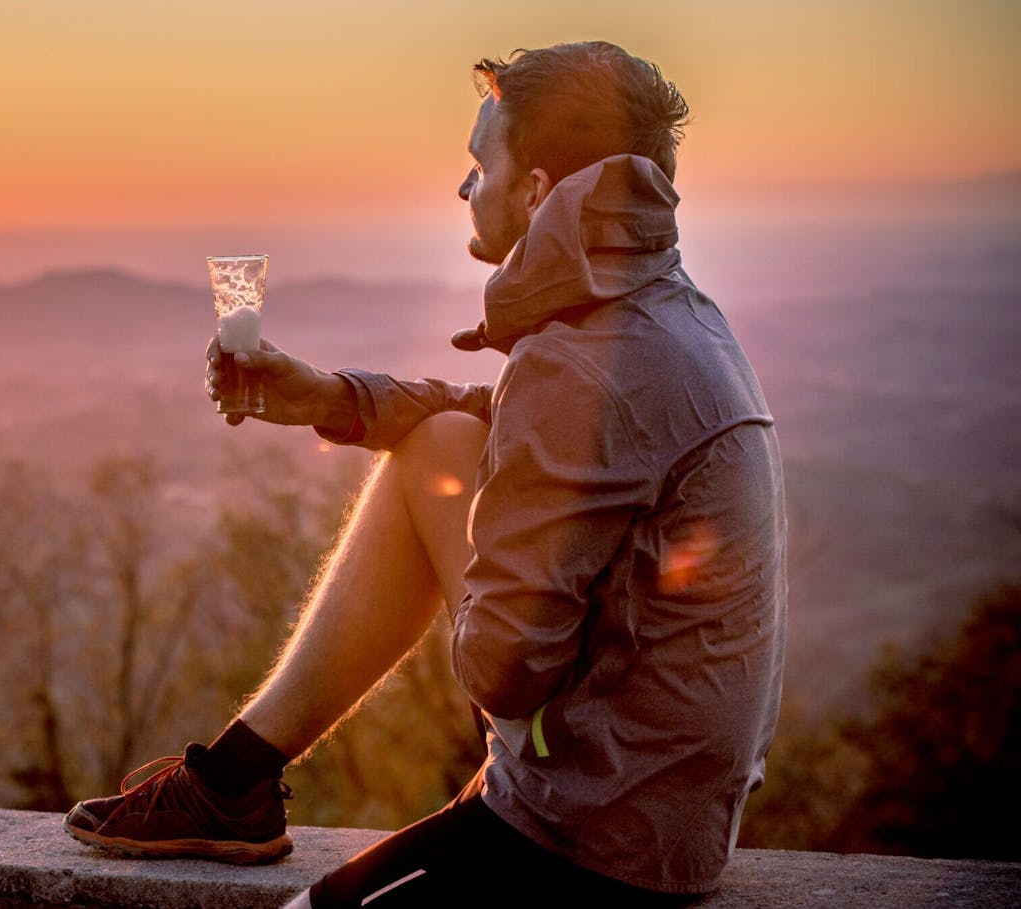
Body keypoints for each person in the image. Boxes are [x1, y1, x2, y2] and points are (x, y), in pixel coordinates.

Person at [65, 40, 786, 907]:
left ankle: (232, 781)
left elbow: (504, 672)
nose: (462, 187)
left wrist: (473, 563)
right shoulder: (666, 316)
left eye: (479, 164)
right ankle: (235, 778)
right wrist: (331, 398)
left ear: (536, 190)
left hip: (594, 840)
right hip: (667, 808)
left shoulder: (582, 360)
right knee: (439, 444)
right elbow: (508, 424)